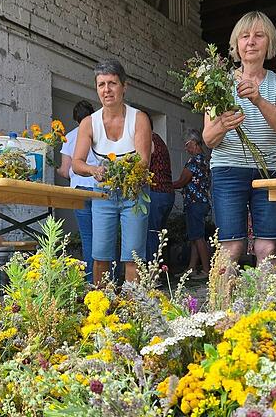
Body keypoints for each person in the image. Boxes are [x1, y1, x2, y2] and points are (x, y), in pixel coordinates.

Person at [202, 11, 276, 268]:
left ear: (269, 43)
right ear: (236, 44)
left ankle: (263, 307)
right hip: (228, 170)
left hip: (268, 171)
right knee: (231, 247)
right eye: (244, 36)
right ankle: (222, 306)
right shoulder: (218, 83)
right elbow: (208, 139)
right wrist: (222, 124)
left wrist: (258, 99)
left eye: (258, 36)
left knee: (268, 246)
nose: (251, 41)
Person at [72, 59, 152, 284]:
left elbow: (143, 162)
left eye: (112, 83)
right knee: (100, 255)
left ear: (124, 87)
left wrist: (123, 173)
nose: (106, 90)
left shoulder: (139, 119)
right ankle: (102, 305)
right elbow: (76, 163)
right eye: (101, 84)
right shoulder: (89, 122)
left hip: (135, 192)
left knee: (133, 256)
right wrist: (94, 170)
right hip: (104, 192)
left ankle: (133, 307)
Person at [58, 100, 96, 281]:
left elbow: (65, 170)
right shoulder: (99, 134)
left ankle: (91, 282)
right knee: (105, 236)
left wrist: (56, 170)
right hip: (99, 189)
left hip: (79, 191)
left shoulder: (70, 137)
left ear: (75, 118)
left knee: (87, 237)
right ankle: (109, 279)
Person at [172, 131, 211, 278]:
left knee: (198, 237)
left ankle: (207, 270)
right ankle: (191, 269)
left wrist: (166, 185)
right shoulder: (205, 160)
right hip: (202, 201)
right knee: (195, 236)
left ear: (194, 143)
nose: (186, 149)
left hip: (195, 202)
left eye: (187, 145)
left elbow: (182, 181)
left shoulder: (194, 161)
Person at [146, 127, 174, 263]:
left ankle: (151, 275)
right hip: (167, 192)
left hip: (155, 191)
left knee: (151, 233)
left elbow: (143, 164)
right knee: (158, 234)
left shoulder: (148, 139)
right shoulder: (159, 139)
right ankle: (159, 270)